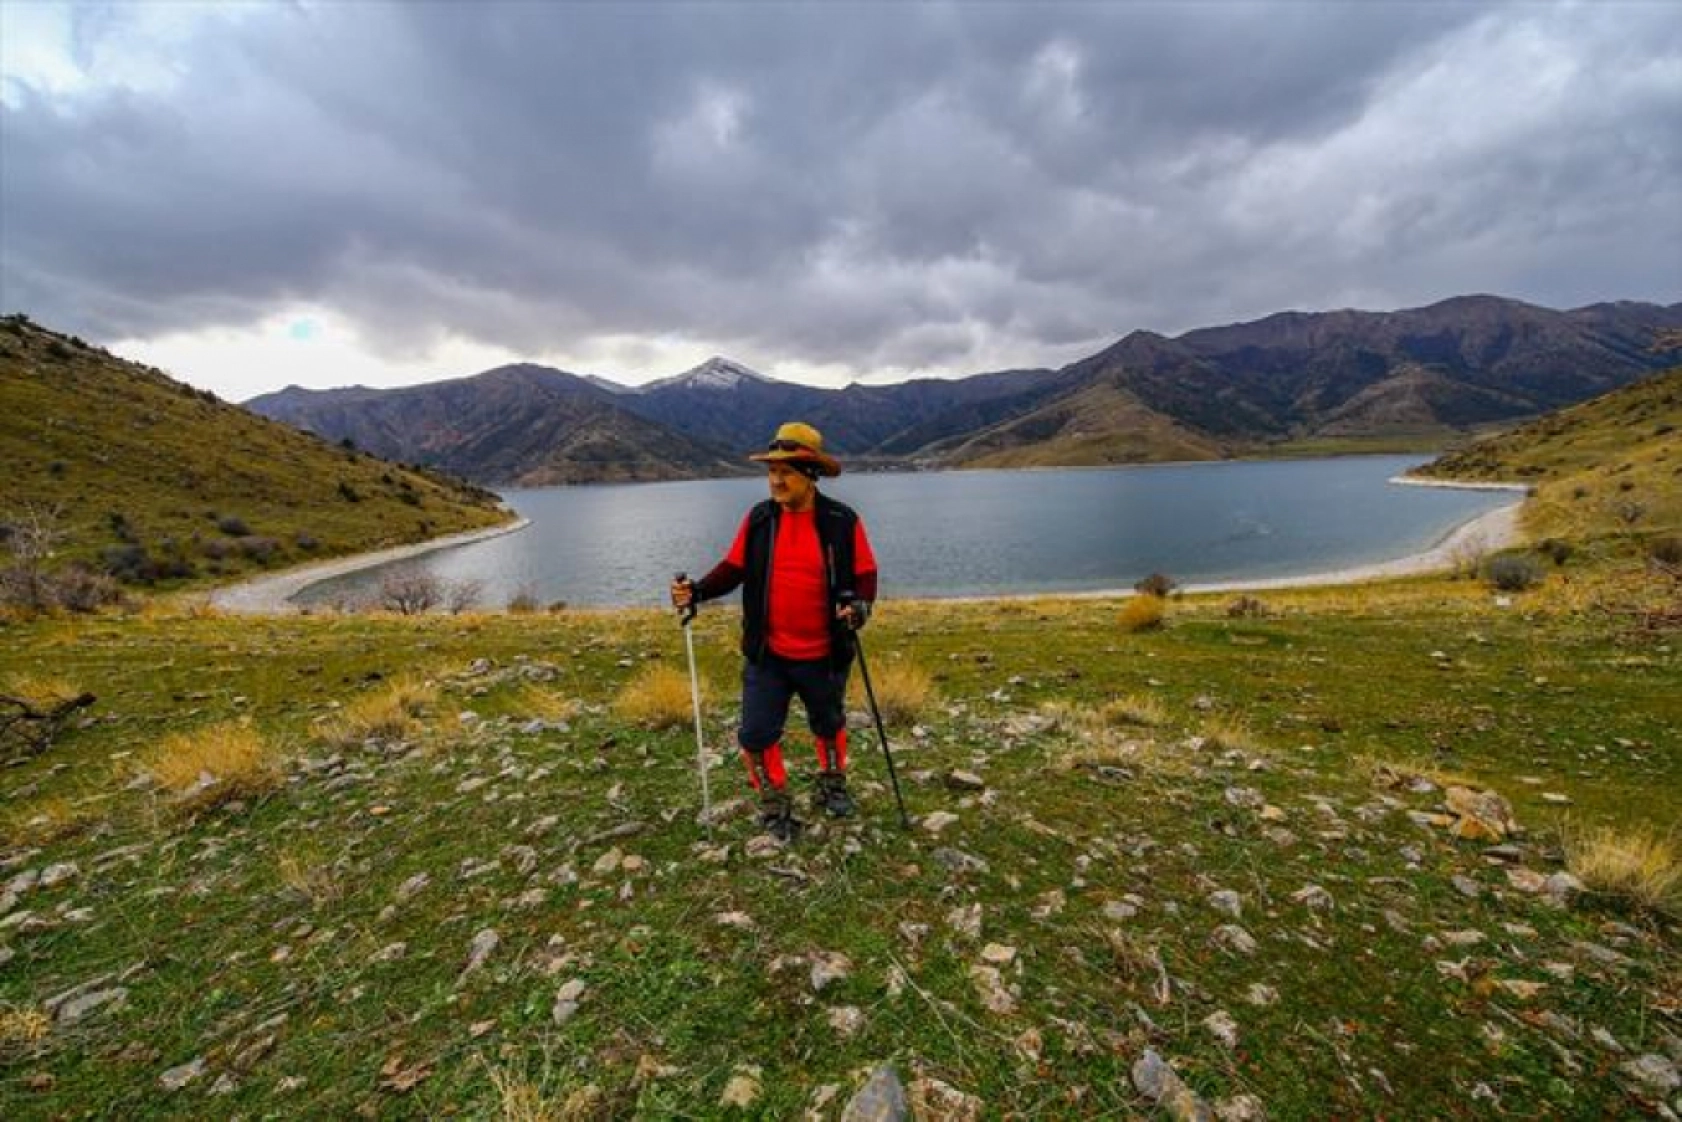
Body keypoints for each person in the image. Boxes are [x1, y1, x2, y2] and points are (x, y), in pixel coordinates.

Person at [671, 422, 879, 841]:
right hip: (769, 655)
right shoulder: (760, 519)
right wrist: (696, 592)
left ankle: (832, 784)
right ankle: (774, 802)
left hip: (825, 653)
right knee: (755, 732)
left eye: (785, 472)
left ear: (810, 475)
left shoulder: (841, 520)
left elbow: (865, 574)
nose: (775, 481)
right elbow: (733, 568)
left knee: (829, 721)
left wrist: (859, 606)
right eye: (771, 471)